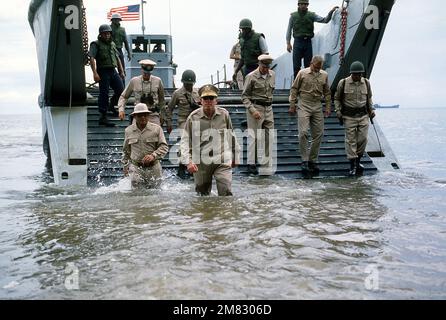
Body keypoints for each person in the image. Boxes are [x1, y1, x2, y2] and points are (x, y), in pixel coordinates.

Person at [180, 85, 240, 196]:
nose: (208, 101)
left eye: (211, 98)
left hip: (221, 157)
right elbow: (184, 141)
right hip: (201, 160)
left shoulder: (224, 114)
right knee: (203, 195)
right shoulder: (193, 117)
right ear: (200, 101)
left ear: (216, 100)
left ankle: (226, 213)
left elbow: (231, 135)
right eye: (205, 99)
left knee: (225, 189)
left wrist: (236, 155)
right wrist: (188, 161)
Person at [288, 55, 331, 177]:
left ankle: (312, 160)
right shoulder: (302, 73)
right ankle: (304, 160)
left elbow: (327, 92)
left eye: (319, 68)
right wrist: (292, 105)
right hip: (304, 104)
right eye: (316, 67)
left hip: (317, 105)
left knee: (318, 134)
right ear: (311, 63)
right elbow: (294, 89)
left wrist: (327, 107)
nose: (317, 70)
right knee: (303, 133)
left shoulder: (324, 75)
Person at [335, 61, 376, 176]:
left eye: (360, 74)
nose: (358, 76)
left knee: (363, 139)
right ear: (351, 73)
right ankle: (352, 165)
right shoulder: (343, 83)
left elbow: (369, 98)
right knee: (351, 141)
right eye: (356, 74)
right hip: (349, 116)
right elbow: (337, 98)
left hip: (363, 115)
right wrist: (338, 111)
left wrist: (371, 109)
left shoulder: (366, 83)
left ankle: (358, 162)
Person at [241, 54, 276, 175]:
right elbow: (244, 96)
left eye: (267, 67)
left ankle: (266, 163)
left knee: (269, 137)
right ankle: (251, 164)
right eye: (263, 66)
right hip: (256, 107)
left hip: (268, 108)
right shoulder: (251, 77)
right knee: (254, 137)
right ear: (259, 65)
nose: (266, 69)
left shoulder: (272, 75)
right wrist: (252, 110)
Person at [286, 0, 338, 78]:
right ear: (298, 5)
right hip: (297, 42)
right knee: (296, 66)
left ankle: (308, 83)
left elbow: (325, 20)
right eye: (301, 4)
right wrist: (288, 43)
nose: (303, 6)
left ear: (307, 5)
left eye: (305, 4)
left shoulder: (311, 15)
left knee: (308, 66)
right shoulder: (293, 16)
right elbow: (289, 29)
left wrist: (331, 12)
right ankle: (296, 85)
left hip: (307, 43)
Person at [122, 103, 169, 189]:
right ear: (135, 116)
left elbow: (164, 147)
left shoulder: (157, 129)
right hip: (136, 168)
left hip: (154, 167)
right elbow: (126, 150)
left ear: (148, 115)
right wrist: (125, 165)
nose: (143, 117)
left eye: (145, 115)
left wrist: (153, 155)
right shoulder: (128, 131)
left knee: (156, 194)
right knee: (136, 195)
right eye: (140, 115)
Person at [165, 70, 201, 179]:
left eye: (190, 84)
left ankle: (192, 166)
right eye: (186, 84)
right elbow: (169, 108)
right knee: (183, 143)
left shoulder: (198, 92)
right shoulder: (177, 93)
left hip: (195, 120)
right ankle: (181, 167)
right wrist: (169, 123)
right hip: (183, 120)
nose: (188, 85)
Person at [89, 24, 125, 127]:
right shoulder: (96, 44)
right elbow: (91, 58)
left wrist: (121, 71)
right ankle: (103, 116)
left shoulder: (112, 44)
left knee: (121, 91)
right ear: (100, 34)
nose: (107, 35)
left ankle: (111, 105)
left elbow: (117, 58)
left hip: (113, 71)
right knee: (104, 93)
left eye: (108, 33)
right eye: (105, 33)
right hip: (103, 71)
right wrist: (95, 73)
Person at [118, 59, 166, 126]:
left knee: (156, 133)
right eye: (145, 73)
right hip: (138, 115)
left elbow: (162, 100)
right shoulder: (134, 81)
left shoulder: (158, 81)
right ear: (141, 70)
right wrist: (121, 110)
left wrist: (162, 115)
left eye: (148, 73)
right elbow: (123, 97)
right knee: (134, 133)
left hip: (153, 114)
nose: (147, 75)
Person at [110, 13, 132, 84]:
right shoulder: (108, 28)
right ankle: (113, 86)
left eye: (118, 19)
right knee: (110, 68)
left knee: (122, 69)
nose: (117, 21)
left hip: (119, 50)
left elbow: (125, 41)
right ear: (112, 20)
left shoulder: (122, 30)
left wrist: (129, 53)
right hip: (110, 50)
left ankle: (122, 86)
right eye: (115, 19)